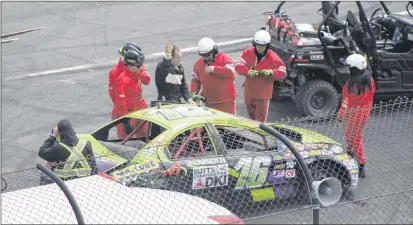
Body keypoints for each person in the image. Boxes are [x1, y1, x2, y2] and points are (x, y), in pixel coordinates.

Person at [235, 30, 287, 123]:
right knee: (252, 120)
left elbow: (282, 72)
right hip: (249, 94)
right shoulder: (248, 52)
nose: (259, 48)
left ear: (267, 46)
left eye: (262, 46)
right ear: (254, 44)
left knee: (260, 122)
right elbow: (238, 66)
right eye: (257, 45)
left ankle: (261, 137)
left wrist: (271, 72)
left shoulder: (273, 57)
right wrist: (249, 72)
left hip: (262, 97)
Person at [337, 54, 376, 178]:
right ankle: (350, 154)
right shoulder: (370, 80)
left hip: (353, 113)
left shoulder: (350, 86)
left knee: (354, 138)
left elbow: (345, 103)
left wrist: (340, 116)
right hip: (365, 111)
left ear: (354, 69)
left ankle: (360, 164)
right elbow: (371, 96)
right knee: (352, 136)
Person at [190, 37, 237, 114]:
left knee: (229, 125)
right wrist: (194, 94)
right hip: (210, 104)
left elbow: (231, 73)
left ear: (214, 50)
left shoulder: (224, 58)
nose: (206, 58)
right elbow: (195, 80)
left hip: (227, 102)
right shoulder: (198, 64)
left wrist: (214, 69)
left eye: (208, 55)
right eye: (203, 55)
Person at [109, 43, 143, 138]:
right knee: (126, 140)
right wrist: (126, 119)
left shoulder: (136, 66)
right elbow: (116, 97)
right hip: (124, 111)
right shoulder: (116, 73)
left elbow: (146, 80)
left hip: (137, 107)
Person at [115, 49, 150, 137]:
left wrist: (142, 73)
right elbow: (121, 102)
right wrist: (126, 121)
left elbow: (147, 81)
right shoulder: (123, 80)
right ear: (130, 65)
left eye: (141, 65)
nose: (140, 67)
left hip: (139, 107)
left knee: (144, 135)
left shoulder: (138, 71)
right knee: (125, 139)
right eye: (138, 66)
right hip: (127, 112)